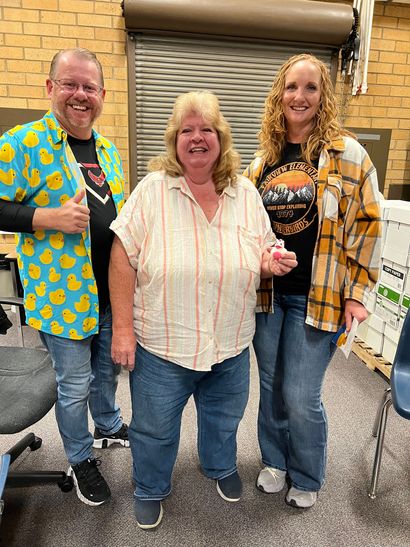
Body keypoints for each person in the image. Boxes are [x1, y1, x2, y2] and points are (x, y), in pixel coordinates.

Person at [109, 90, 297, 529]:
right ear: (175, 140)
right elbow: (122, 255)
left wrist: (271, 262)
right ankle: (150, 486)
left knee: (224, 419)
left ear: (221, 138)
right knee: (153, 429)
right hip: (162, 346)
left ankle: (219, 465)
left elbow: (264, 250)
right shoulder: (153, 191)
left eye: (206, 130)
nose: (197, 138)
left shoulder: (246, 193)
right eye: (187, 131)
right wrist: (122, 330)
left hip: (229, 343)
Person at [243, 53, 382, 508]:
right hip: (268, 296)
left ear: (323, 97)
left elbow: (367, 226)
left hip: (316, 297)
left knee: (300, 394)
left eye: (310, 88)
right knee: (270, 385)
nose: (299, 96)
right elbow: (242, 226)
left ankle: (306, 474)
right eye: (291, 87)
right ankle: (275, 460)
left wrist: (358, 294)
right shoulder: (262, 162)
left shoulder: (349, 155)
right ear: (278, 96)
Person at [0, 48, 129, 506]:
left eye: (89, 87)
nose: (80, 95)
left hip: (107, 293)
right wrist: (45, 217)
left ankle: (109, 425)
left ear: (102, 95)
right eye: (70, 84)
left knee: (106, 371)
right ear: (50, 87)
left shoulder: (107, 149)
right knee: (74, 385)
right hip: (63, 296)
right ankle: (79, 459)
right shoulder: (21, 144)